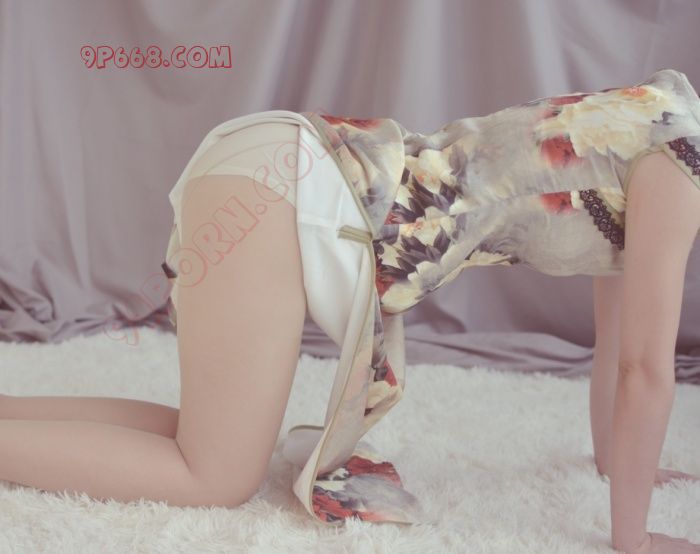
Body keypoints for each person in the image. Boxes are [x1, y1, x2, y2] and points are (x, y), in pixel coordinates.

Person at [0, 69, 698, 554]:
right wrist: (633, 540)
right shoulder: (680, 163)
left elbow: (619, 342)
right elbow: (644, 369)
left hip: (284, 162)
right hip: (295, 195)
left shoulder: (661, 113)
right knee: (215, 476)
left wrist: (617, 463)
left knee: (204, 440)